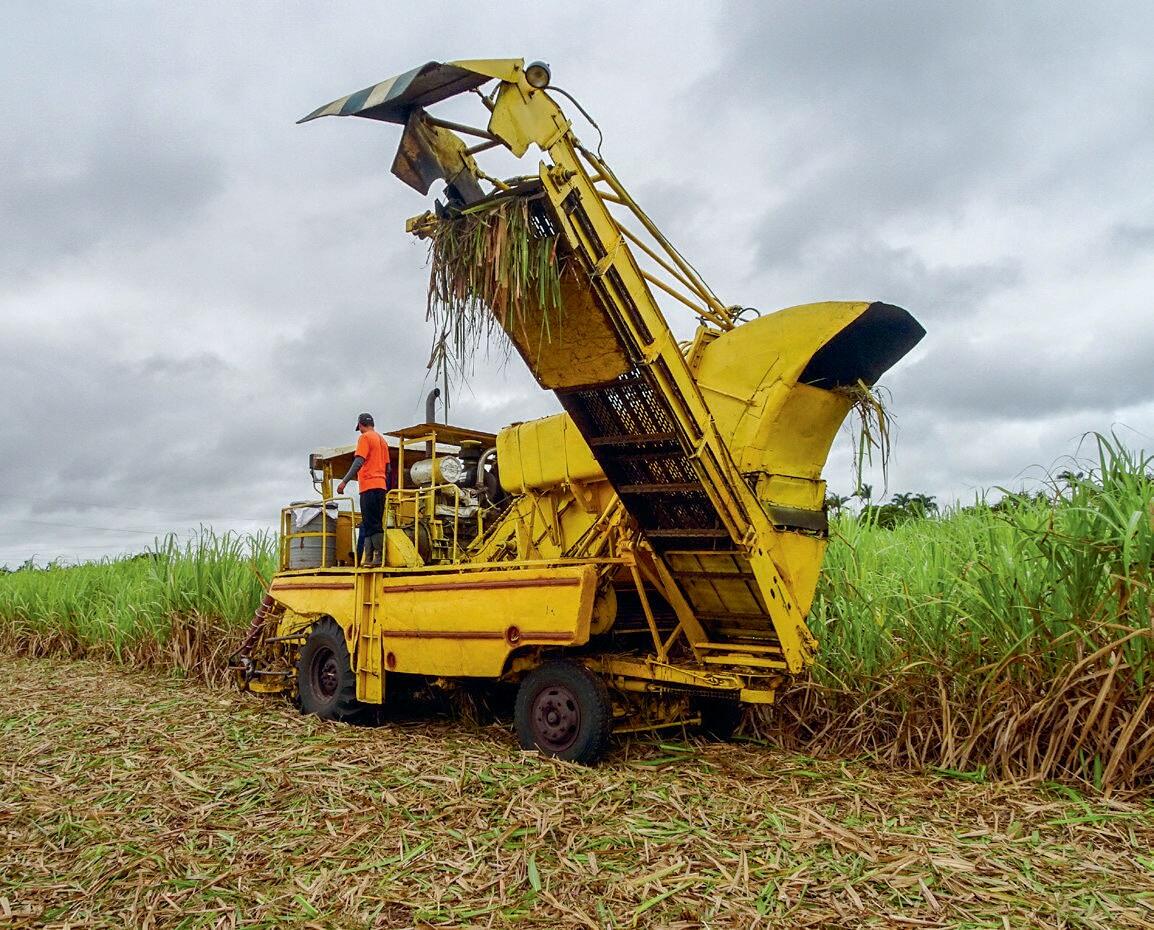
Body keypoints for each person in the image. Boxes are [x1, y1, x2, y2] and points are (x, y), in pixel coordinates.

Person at [337, 413, 391, 567]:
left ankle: (378, 557)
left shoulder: (365, 438)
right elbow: (388, 468)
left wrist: (344, 482)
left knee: (372, 524)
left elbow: (359, 461)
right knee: (370, 523)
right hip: (381, 487)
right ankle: (367, 558)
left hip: (368, 487)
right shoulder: (382, 440)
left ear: (361, 425)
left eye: (359, 428)